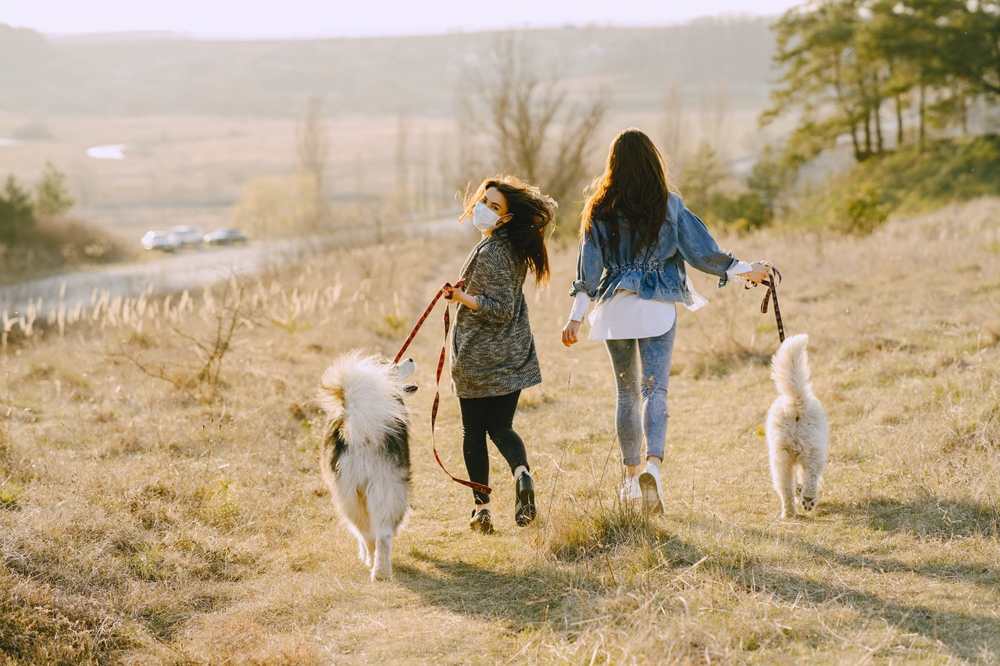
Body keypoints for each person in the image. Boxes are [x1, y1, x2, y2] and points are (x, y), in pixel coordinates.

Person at [561, 128, 769, 512]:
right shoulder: (669, 206)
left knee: (625, 394)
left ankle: (629, 481)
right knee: (654, 391)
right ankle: (653, 468)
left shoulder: (598, 209)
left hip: (616, 311)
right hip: (656, 307)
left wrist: (575, 318)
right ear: (653, 162)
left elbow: (587, 273)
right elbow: (703, 253)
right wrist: (745, 270)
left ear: (613, 165)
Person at [444, 175, 556, 533]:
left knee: (473, 431)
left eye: (495, 208)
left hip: (481, 354)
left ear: (506, 217)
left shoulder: (493, 250)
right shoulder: (511, 246)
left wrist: (461, 299)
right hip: (511, 352)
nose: (485, 210)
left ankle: (482, 509)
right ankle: (521, 473)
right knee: (502, 427)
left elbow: (499, 307)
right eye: (485, 202)